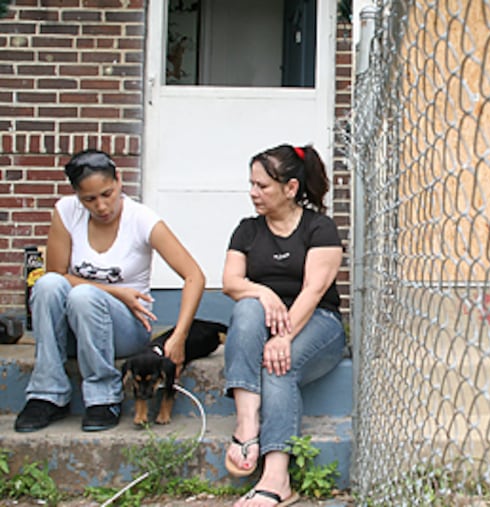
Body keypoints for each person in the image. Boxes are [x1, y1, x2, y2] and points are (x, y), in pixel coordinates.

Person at [14, 149, 205, 433]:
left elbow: (194, 276)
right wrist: (117, 292)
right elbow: (57, 277)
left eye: (107, 194)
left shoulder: (141, 219)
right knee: (46, 284)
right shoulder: (66, 212)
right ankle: (47, 394)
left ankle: (103, 398)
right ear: (77, 196)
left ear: (118, 180)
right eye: (89, 199)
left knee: (83, 295)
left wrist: (179, 337)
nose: (101, 206)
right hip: (75, 329)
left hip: (126, 329)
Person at [223, 144, 346, 507]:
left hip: (318, 322)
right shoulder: (247, 230)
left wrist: (285, 335)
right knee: (246, 308)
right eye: (251, 184)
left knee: (279, 364)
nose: (253, 193)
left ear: (291, 188)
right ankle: (247, 425)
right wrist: (263, 293)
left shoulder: (319, 228)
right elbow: (231, 282)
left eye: (262, 186)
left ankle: (277, 478)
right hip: (262, 322)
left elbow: (314, 290)